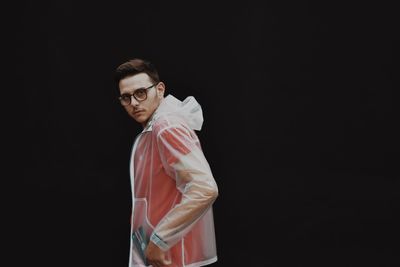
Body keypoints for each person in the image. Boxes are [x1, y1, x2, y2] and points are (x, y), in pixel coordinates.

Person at [114, 58, 219, 267]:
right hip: (159, 254)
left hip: (170, 256)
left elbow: (205, 188)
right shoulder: (157, 127)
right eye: (126, 97)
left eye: (140, 93)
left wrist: (159, 241)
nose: (134, 103)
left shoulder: (166, 126)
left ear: (160, 89)